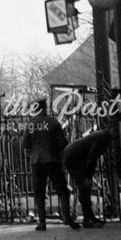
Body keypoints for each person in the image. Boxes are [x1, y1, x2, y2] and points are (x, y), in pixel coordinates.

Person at [22, 97, 80, 231]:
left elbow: (25, 144)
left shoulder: (31, 124)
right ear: (45, 107)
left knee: (39, 191)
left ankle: (42, 222)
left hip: (36, 161)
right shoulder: (53, 122)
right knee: (62, 189)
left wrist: (35, 149)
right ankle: (68, 218)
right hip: (52, 160)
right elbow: (62, 143)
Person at [63, 129, 113, 228]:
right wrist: (88, 177)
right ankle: (87, 219)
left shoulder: (102, 135)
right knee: (84, 187)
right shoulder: (102, 139)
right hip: (74, 159)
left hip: (75, 157)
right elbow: (92, 157)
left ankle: (90, 217)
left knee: (85, 188)